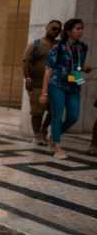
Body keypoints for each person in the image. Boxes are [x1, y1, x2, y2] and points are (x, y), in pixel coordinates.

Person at [39, 19, 91, 159]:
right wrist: (44, 93)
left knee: (73, 117)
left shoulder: (83, 47)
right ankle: (57, 148)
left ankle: (53, 135)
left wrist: (84, 69)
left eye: (81, 28)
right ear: (69, 31)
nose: (80, 31)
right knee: (57, 117)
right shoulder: (58, 48)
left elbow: (77, 66)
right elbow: (48, 71)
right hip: (57, 84)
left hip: (74, 84)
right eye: (77, 29)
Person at [23, 21, 60, 145]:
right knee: (37, 111)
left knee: (53, 111)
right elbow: (26, 62)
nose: (56, 31)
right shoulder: (35, 44)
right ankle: (37, 135)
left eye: (59, 30)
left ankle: (44, 129)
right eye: (53, 28)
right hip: (37, 84)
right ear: (47, 28)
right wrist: (28, 79)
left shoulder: (60, 45)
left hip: (56, 85)